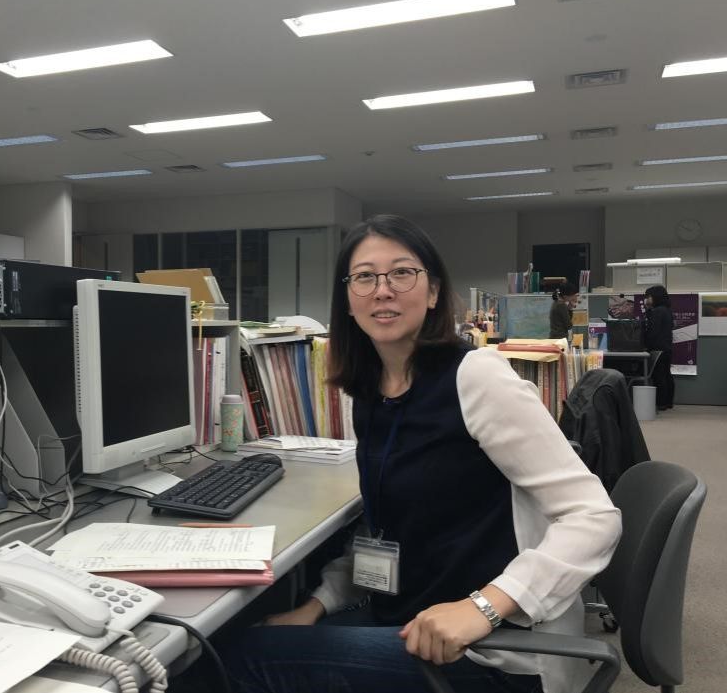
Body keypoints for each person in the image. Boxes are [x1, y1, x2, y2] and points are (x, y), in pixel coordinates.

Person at [219, 215, 621, 693]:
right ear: (347, 300)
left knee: (237, 658)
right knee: (255, 628)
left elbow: (594, 517)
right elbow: (384, 532)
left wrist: (483, 607)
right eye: (364, 277)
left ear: (432, 292)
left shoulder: (476, 376)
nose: (382, 291)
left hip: (494, 650)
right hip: (406, 617)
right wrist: (317, 603)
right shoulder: (370, 393)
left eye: (402, 273)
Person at [643, 285, 675, 410]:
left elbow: (653, 332)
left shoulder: (657, 311)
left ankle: (661, 403)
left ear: (655, 297)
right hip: (667, 348)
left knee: (659, 376)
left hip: (657, 348)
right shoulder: (667, 310)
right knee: (666, 375)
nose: (647, 299)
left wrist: (646, 345)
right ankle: (668, 402)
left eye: (648, 297)